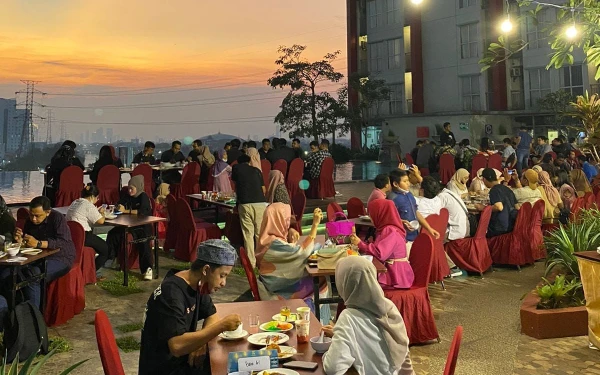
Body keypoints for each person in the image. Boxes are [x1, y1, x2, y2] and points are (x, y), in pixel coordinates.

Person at [139, 240, 242, 375]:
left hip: (182, 363)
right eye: (222, 276)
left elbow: (212, 315)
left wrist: (200, 343)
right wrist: (221, 327)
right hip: (165, 369)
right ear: (206, 270)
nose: (223, 283)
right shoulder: (171, 294)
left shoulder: (197, 283)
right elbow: (177, 346)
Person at [321, 256, 414, 375]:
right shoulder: (388, 307)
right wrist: (339, 333)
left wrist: (327, 353)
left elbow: (333, 368)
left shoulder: (348, 317)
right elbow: (374, 341)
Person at [10, 196, 75, 307]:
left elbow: (63, 242)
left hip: (61, 257)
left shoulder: (57, 218)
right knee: (10, 272)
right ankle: (14, 311)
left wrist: (39, 243)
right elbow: (28, 241)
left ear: (48, 212)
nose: (33, 219)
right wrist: (19, 240)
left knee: (33, 275)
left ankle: (35, 316)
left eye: (37, 216)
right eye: (31, 215)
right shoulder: (29, 221)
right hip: (37, 257)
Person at [256, 205, 322, 299]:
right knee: (321, 283)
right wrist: (315, 225)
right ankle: (316, 312)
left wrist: (289, 230)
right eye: (286, 219)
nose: (288, 223)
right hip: (278, 290)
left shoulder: (265, 239)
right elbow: (302, 252)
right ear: (278, 220)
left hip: (271, 284)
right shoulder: (275, 243)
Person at [350, 199, 414, 289]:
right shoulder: (386, 229)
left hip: (394, 276)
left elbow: (380, 254)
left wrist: (360, 244)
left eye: (371, 214)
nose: (371, 217)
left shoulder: (390, 230)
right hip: (394, 273)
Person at [106, 176, 154, 280]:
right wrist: (118, 206)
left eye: (132, 188)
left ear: (138, 187)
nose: (130, 190)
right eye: (129, 188)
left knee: (144, 241)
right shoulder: (127, 196)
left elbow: (143, 212)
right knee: (112, 234)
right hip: (129, 225)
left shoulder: (143, 196)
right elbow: (119, 203)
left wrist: (126, 211)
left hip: (142, 226)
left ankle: (147, 269)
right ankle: (112, 258)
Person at [66, 184, 110, 279]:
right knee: (106, 250)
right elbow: (101, 221)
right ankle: (91, 273)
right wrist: (102, 212)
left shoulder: (75, 202)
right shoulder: (88, 205)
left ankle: (88, 271)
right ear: (92, 197)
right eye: (97, 198)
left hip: (70, 234)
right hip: (83, 235)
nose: (96, 200)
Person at [388, 169, 440, 247]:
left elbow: (416, 212)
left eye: (408, 181)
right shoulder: (391, 199)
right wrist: (401, 222)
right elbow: (389, 219)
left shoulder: (409, 195)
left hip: (414, 236)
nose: (408, 184)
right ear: (395, 184)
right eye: (405, 181)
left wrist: (429, 229)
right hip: (401, 239)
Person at [232, 154, 266, 268]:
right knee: (259, 234)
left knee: (248, 234)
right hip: (260, 203)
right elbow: (263, 189)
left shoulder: (236, 169)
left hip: (245, 203)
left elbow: (236, 184)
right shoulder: (256, 170)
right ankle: (261, 261)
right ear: (249, 161)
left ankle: (251, 264)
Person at [476, 168, 517, 237]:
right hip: (512, 225)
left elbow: (499, 207)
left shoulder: (494, 190)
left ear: (484, 179)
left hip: (499, 228)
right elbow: (517, 206)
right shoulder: (507, 189)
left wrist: (484, 208)